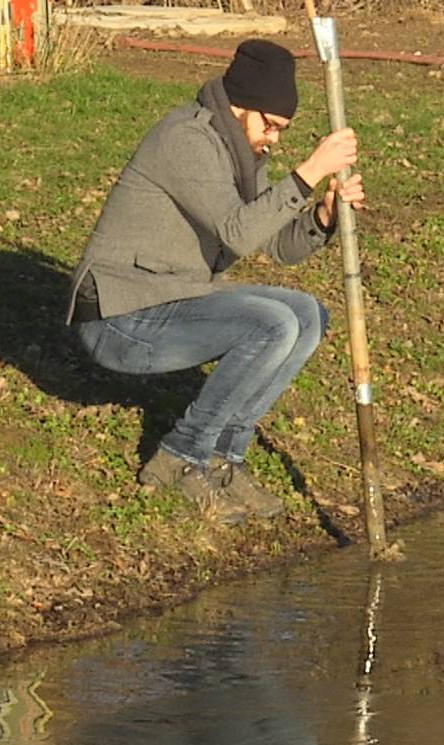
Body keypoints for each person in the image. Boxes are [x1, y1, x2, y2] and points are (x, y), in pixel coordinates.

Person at [66, 38, 364, 524]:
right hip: (117, 318)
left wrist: (324, 217)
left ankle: (225, 458)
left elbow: (280, 246)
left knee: (308, 316)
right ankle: (181, 457)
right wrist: (308, 173)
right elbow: (237, 233)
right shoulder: (186, 138)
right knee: (270, 325)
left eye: (281, 130)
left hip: (174, 297)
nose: (274, 139)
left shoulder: (241, 152)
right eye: (270, 126)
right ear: (239, 106)